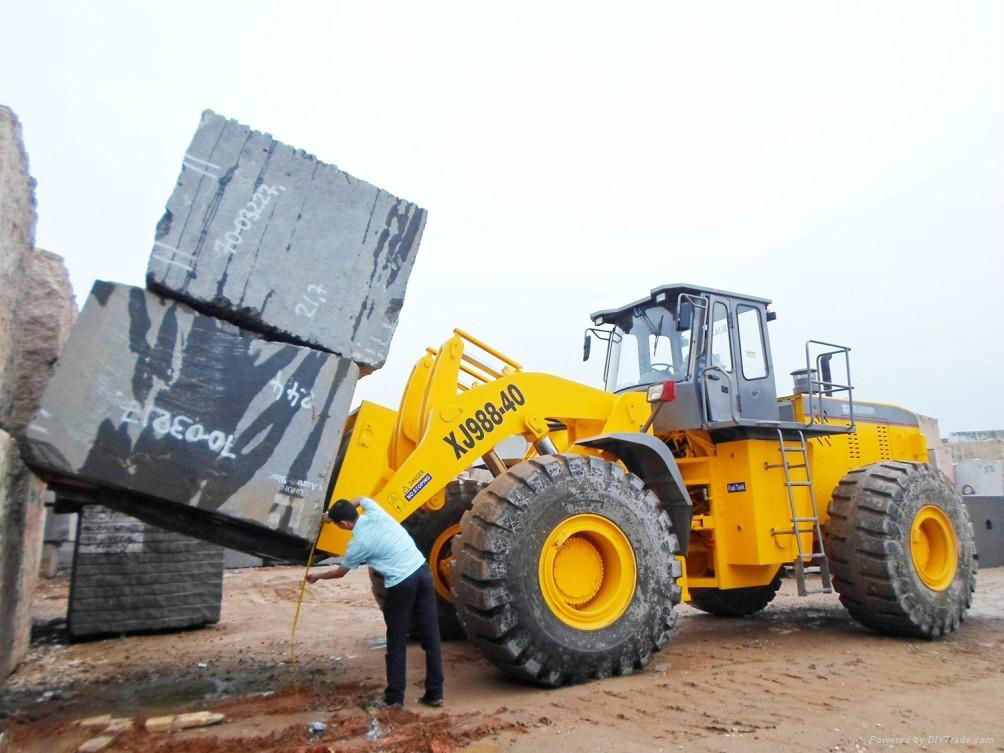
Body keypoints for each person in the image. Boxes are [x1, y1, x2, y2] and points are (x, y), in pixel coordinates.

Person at [306, 497, 444, 708]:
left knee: (397, 642)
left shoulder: (358, 543)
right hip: (423, 574)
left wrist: (317, 576)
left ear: (343, 525)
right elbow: (361, 497)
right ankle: (435, 694)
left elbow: (340, 573)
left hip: (401, 585)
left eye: (337, 524)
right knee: (431, 637)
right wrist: (333, 514)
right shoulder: (376, 513)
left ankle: (395, 698)